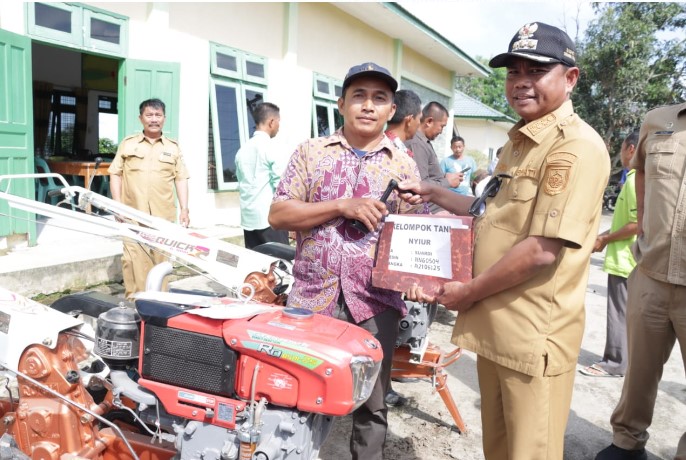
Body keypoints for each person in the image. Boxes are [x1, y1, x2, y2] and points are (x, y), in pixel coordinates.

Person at [399, 22, 609, 459]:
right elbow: (491, 213)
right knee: (499, 449)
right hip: (496, 328)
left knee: (530, 452)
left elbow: (540, 251)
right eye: (514, 72)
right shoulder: (520, 142)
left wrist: (467, 292)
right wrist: (435, 192)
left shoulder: (574, 148)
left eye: (536, 70)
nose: (521, 83)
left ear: (570, 79)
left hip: (532, 336)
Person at [269, 62, 428, 460]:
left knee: (372, 404)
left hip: (374, 302)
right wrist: (342, 205)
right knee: (296, 392)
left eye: (379, 98)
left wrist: (417, 268)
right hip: (311, 298)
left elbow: (416, 234)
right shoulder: (310, 153)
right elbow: (278, 215)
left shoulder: (403, 163)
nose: (368, 106)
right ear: (341, 104)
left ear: (392, 110)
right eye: (359, 96)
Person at [595, 102, 686, 460]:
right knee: (639, 373)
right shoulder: (659, 121)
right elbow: (643, 171)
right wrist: (646, 225)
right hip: (651, 272)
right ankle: (627, 442)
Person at [108, 98, 190, 299]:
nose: (154, 119)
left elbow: (181, 179)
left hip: (163, 216)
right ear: (141, 118)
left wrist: (185, 209)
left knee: (161, 260)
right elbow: (115, 174)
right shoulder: (128, 145)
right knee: (132, 259)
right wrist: (117, 206)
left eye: (158, 115)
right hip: (131, 215)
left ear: (164, 118)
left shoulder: (173, 147)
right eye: (149, 115)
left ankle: (159, 302)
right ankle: (134, 302)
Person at [579, 131, 639, 378]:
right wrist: (603, 235)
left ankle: (614, 363)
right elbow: (625, 221)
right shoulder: (635, 178)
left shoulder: (636, 181)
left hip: (626, 259)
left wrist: (605, 238)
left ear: (632, 149)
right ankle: (624, 359)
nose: (622, 154)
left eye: (623, 148)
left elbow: (637, 223)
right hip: (627, 257)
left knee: (619, 312)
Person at [235, 102, 289, 249]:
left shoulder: (242, 150)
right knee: (279, 266)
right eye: (278, 122)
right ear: (271, 122)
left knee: (256, 267)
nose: (279, 126)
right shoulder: (272, 147)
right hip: (269, 219)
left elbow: (240, 181)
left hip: (248, 219)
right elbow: (281, 185)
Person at [405, 101, 462, 212]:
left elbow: (428, 175)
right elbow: (421, 184)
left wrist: (444, 177)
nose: (441, 131)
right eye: (442, 126)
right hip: (430, 210)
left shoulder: (423, 142)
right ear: (429, 121)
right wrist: (447, 182)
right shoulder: (417, 144)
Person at [384, 89, 422, 158]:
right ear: (409, 120)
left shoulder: (374, 142)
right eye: (419, 119)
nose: (419, 123)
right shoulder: (400, 155)